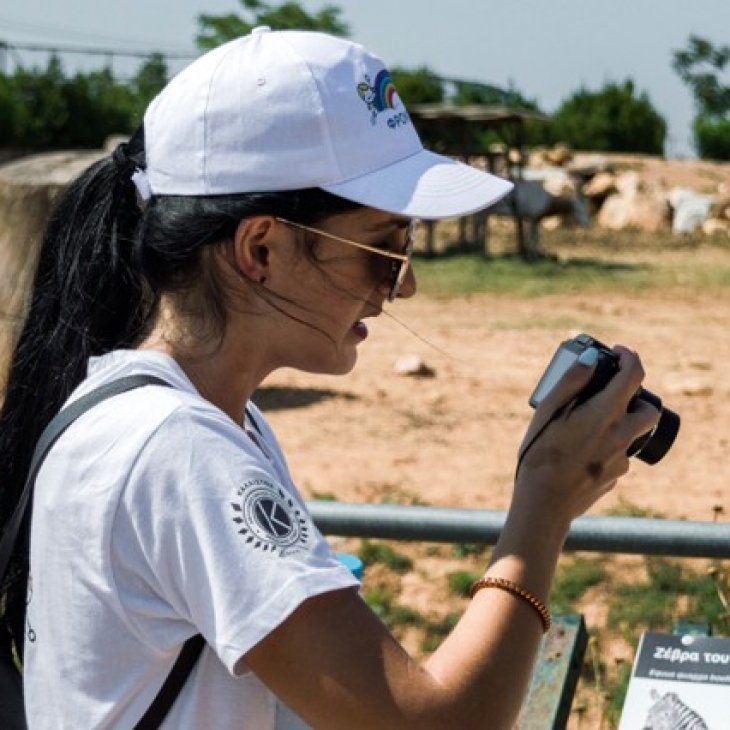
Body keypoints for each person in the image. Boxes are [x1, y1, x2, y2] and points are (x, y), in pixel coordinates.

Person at [0, 27, 659, 729]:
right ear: (262, 248)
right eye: (384, 246)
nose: (402, 287)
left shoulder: (205, 422)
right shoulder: (177, 448)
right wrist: (543, 507)